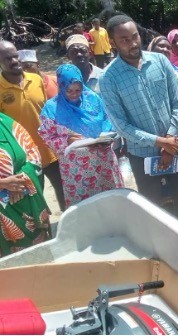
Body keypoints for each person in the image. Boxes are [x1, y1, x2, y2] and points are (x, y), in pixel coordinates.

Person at [99, 15, 178, 224]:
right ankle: (158, 251)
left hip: (175, 147)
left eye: (135, 36)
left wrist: (170, 139)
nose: (132, 43)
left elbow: (177, 101)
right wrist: (159, 142)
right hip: (142, 156)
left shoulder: (160, 61)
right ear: (113, 42)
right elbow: (121, 126)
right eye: (124, 40)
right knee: (153, 207)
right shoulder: (109, 78)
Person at [38, 64, 123, 207]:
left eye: (78, 89)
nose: (74, 94)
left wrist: (107, 137)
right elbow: (46, 135)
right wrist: (67, 140)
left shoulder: (93, 99)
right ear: (61, 86)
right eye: (69, 90)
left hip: (103, 160)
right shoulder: (52, 108)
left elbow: (108, 120)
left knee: (111, 201)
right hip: (75, 169)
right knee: (85, 206)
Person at [0, 40, 65, 212]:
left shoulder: (36, 80)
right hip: (23, 158)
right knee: (32, 200)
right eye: (8, 59)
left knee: (64, 192)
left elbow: (49, 113)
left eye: (15, 56)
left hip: (49, 151)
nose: (14, 61)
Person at [0, 112, 51, 257]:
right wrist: (3, 184)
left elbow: (32, 151)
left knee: (42, 257)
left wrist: (22, 180)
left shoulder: (6, 122)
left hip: (26, 201)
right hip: (3, 214)